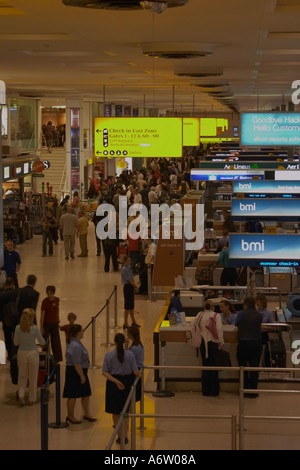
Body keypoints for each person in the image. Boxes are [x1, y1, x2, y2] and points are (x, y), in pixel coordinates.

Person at [102, 333, 140, 445]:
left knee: (115, 412)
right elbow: (135, 371)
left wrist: (116, 381)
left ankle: (119, 436)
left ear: (114, 341)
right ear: (124, 342)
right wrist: (139, 374)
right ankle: (125, 436)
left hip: (113, 384)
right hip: (127, 383)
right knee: (126, 411)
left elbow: (104, 372)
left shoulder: (108, 355)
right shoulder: (130, 355)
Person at [62, 324, 96, 424]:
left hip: (80, 370)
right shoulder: (75, 345)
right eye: (82, 331)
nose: (83, 332)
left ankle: (87, 414)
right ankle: (70, 416)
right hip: (75, 371)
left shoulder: (76, 342)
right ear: (77, 333)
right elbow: (76, 363)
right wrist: (81, 376)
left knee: (86, 393)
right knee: (72, 395)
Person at [13, 308, 46, 406]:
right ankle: (32, 399)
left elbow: (15, 342)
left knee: (22, 376)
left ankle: (21, 395)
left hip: (22, 353)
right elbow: (42, 342)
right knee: (33, 377)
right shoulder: (35, 328)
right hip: (33, 353)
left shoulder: (17, 328)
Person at [236, 297, 262, 398]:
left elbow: (237, 324)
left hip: (243, 343)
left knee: (243, 367)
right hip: (256, 344)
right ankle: (253, 391)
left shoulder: (241, 314)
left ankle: (243, 389)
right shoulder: (259, 315)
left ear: (246, 305)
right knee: (254, 367)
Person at [198, 301, 224, 397]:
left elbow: (192, 324)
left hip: (203, 343)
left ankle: (205, 390)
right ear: (213, 307)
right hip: (213, 343)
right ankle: (214, 391)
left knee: (205, 366)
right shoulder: (216, 315)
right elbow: (219, 329)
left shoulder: (200, 315)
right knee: (214, 367)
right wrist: (221, 341)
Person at [40, 286, 62, 363]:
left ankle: (57, 358)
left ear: (53, 293)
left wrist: (58, 319)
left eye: (51, 293)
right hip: (46, 324)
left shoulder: (57, 299)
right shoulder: (44, 302)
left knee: (56, 341)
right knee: (45, 341)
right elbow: (42, 315)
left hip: (54, 323)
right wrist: (41, 327)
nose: (49, 295)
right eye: (48, 293)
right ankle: (45, 358)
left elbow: (57, 309)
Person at [0, 277, 19, 361]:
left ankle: (10, 354)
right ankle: (15, 353)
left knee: (7, 337)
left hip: (6, 319)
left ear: (5, 284)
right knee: (16, 336)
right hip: (16, 318)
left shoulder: (1, 294)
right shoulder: (17, 293)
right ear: (13, 284)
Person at [256, 294, 275, 367]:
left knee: (263, 352)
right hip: (255, 335)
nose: (257, 303)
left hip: (263, 335)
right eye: (257, 301)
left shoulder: (268, 313)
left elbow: (273, 327)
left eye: (259, 301)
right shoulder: (255, 311)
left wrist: (264, 327)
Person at [121, 255, 140, 329]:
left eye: (130, 261)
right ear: (125, 261)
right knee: (127, 306)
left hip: (130, 287)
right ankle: (125, 322)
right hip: (128, 287)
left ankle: (134, 322)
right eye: (128, 261)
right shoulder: (124, 269)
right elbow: (129, 280)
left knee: (131, 306)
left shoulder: (128, 268)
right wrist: (136, 286)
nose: (130, 262)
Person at [126, 325, 144, 402]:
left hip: (135, 371)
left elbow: (128, 359)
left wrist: (126, 348)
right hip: (137, 369)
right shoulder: (139, 344)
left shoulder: (134, 348)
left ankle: (130, 413)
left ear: (130, 334)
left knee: (131, 397)